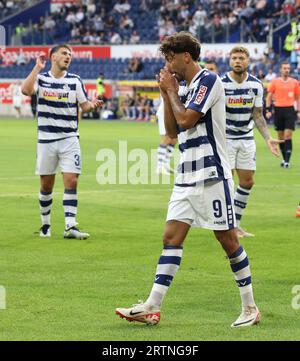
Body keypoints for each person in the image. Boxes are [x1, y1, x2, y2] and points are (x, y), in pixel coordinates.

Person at [116, 32, 260, 328]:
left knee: (228, 240)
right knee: (171, 237)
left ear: (186, 56)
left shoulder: (208, 80)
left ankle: (250, 308)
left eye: (170, 57)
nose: (168, 64)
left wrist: (170, 90)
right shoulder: (183, 87)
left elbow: (187, 120)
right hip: (186, 175)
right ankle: (151, 307)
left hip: (212, 175)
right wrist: (165, 92)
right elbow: (172, 130)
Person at [21, 45, 103, 239]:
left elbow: (85, 107)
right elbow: (26, 90)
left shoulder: (75, 81)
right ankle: (45, 225)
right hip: (46, 139)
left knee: (72, 180)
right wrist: (37, 68)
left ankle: (70, 226)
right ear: (53, 56)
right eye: (65, 53)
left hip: (69, 138)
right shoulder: (41, 79)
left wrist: (93, 105)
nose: (68, 57)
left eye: (70, 55)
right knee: (46, 185)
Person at [222, 46, 281, 239]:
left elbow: (257, 115)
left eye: (241, 58)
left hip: (246, 139)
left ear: (248, 61)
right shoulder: (221, 84)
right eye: (234, 58)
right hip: (226, 139)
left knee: (247, 182)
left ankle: (236, 225)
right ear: (230, 61)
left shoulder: (256, 85)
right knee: (227, 184)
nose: (238, 61)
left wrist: (268, 138)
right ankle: (228, 227)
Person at [266, 61, 300, 169]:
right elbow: (269, 96)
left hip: (290, 110)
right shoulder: (275, 82)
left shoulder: (294, 82)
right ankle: (284, 158)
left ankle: (287, 161)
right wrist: (268, 109)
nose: (286, 70)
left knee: (287, 136)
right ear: (280, 69)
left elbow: (298, 98)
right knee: (280, 137)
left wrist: (298, 111)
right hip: (278, 110)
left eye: (288, 68)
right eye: (284, 68)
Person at [156, 95, 177, 175]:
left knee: (174, 139)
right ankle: (160, 166)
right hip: (166, 111)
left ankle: (166, 164)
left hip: (174, 112)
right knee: (167, 137)